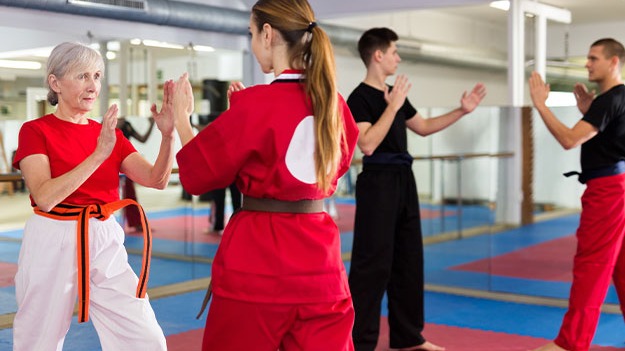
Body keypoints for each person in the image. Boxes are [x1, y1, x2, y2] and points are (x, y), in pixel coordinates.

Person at [171, 0, 359, 349]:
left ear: (268, 34)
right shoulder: (335, 104)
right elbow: (332, 169)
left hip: (257, 263)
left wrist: (182, 119)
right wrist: (245, 122)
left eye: (252, 34)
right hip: (321, 264)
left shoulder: (255, 105)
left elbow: (197, 175)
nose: (254, 44)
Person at [11, 41, 174, 350]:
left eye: (97, 75)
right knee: (38, 336)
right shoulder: (35, 130)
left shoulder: (108, 134)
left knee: (144, 336)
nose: (93, 85)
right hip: (53, 234)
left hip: (103, 234)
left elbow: (157, 179)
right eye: (83, 75)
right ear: (55, 83)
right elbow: (45, 196)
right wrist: (99, 155)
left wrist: (167, 136)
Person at [346, 27, 486, 351]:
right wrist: (392, 107)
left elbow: (422, 127)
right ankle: (358, 341)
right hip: (377, 182)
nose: (398, 57)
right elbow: (366, 144)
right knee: (372, 264)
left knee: (409, 259)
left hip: (403, 180)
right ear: (378, 55)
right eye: (394, 51)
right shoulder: (358, 98)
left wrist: (461, 111)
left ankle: (409, 337)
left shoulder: (395, 93)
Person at [528, 38, 625, 351]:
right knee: (622, 267)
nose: (587, 64)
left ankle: (572, 343)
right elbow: (610, 139)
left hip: (609, 192)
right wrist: (588, 110)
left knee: (592, 263)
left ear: (614, 62)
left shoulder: (610, 100)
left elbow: (570, 140)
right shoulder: (615, 99)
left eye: (593, 58)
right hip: (619, 186)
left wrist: (541, 105)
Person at [117, 116, 155, 232]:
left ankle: (136, 222)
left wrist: (151, 124)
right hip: (109, 161)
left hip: (124, 162)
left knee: (130, 194)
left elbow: (143, 139)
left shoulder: (126, 125)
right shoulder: (107, 123)